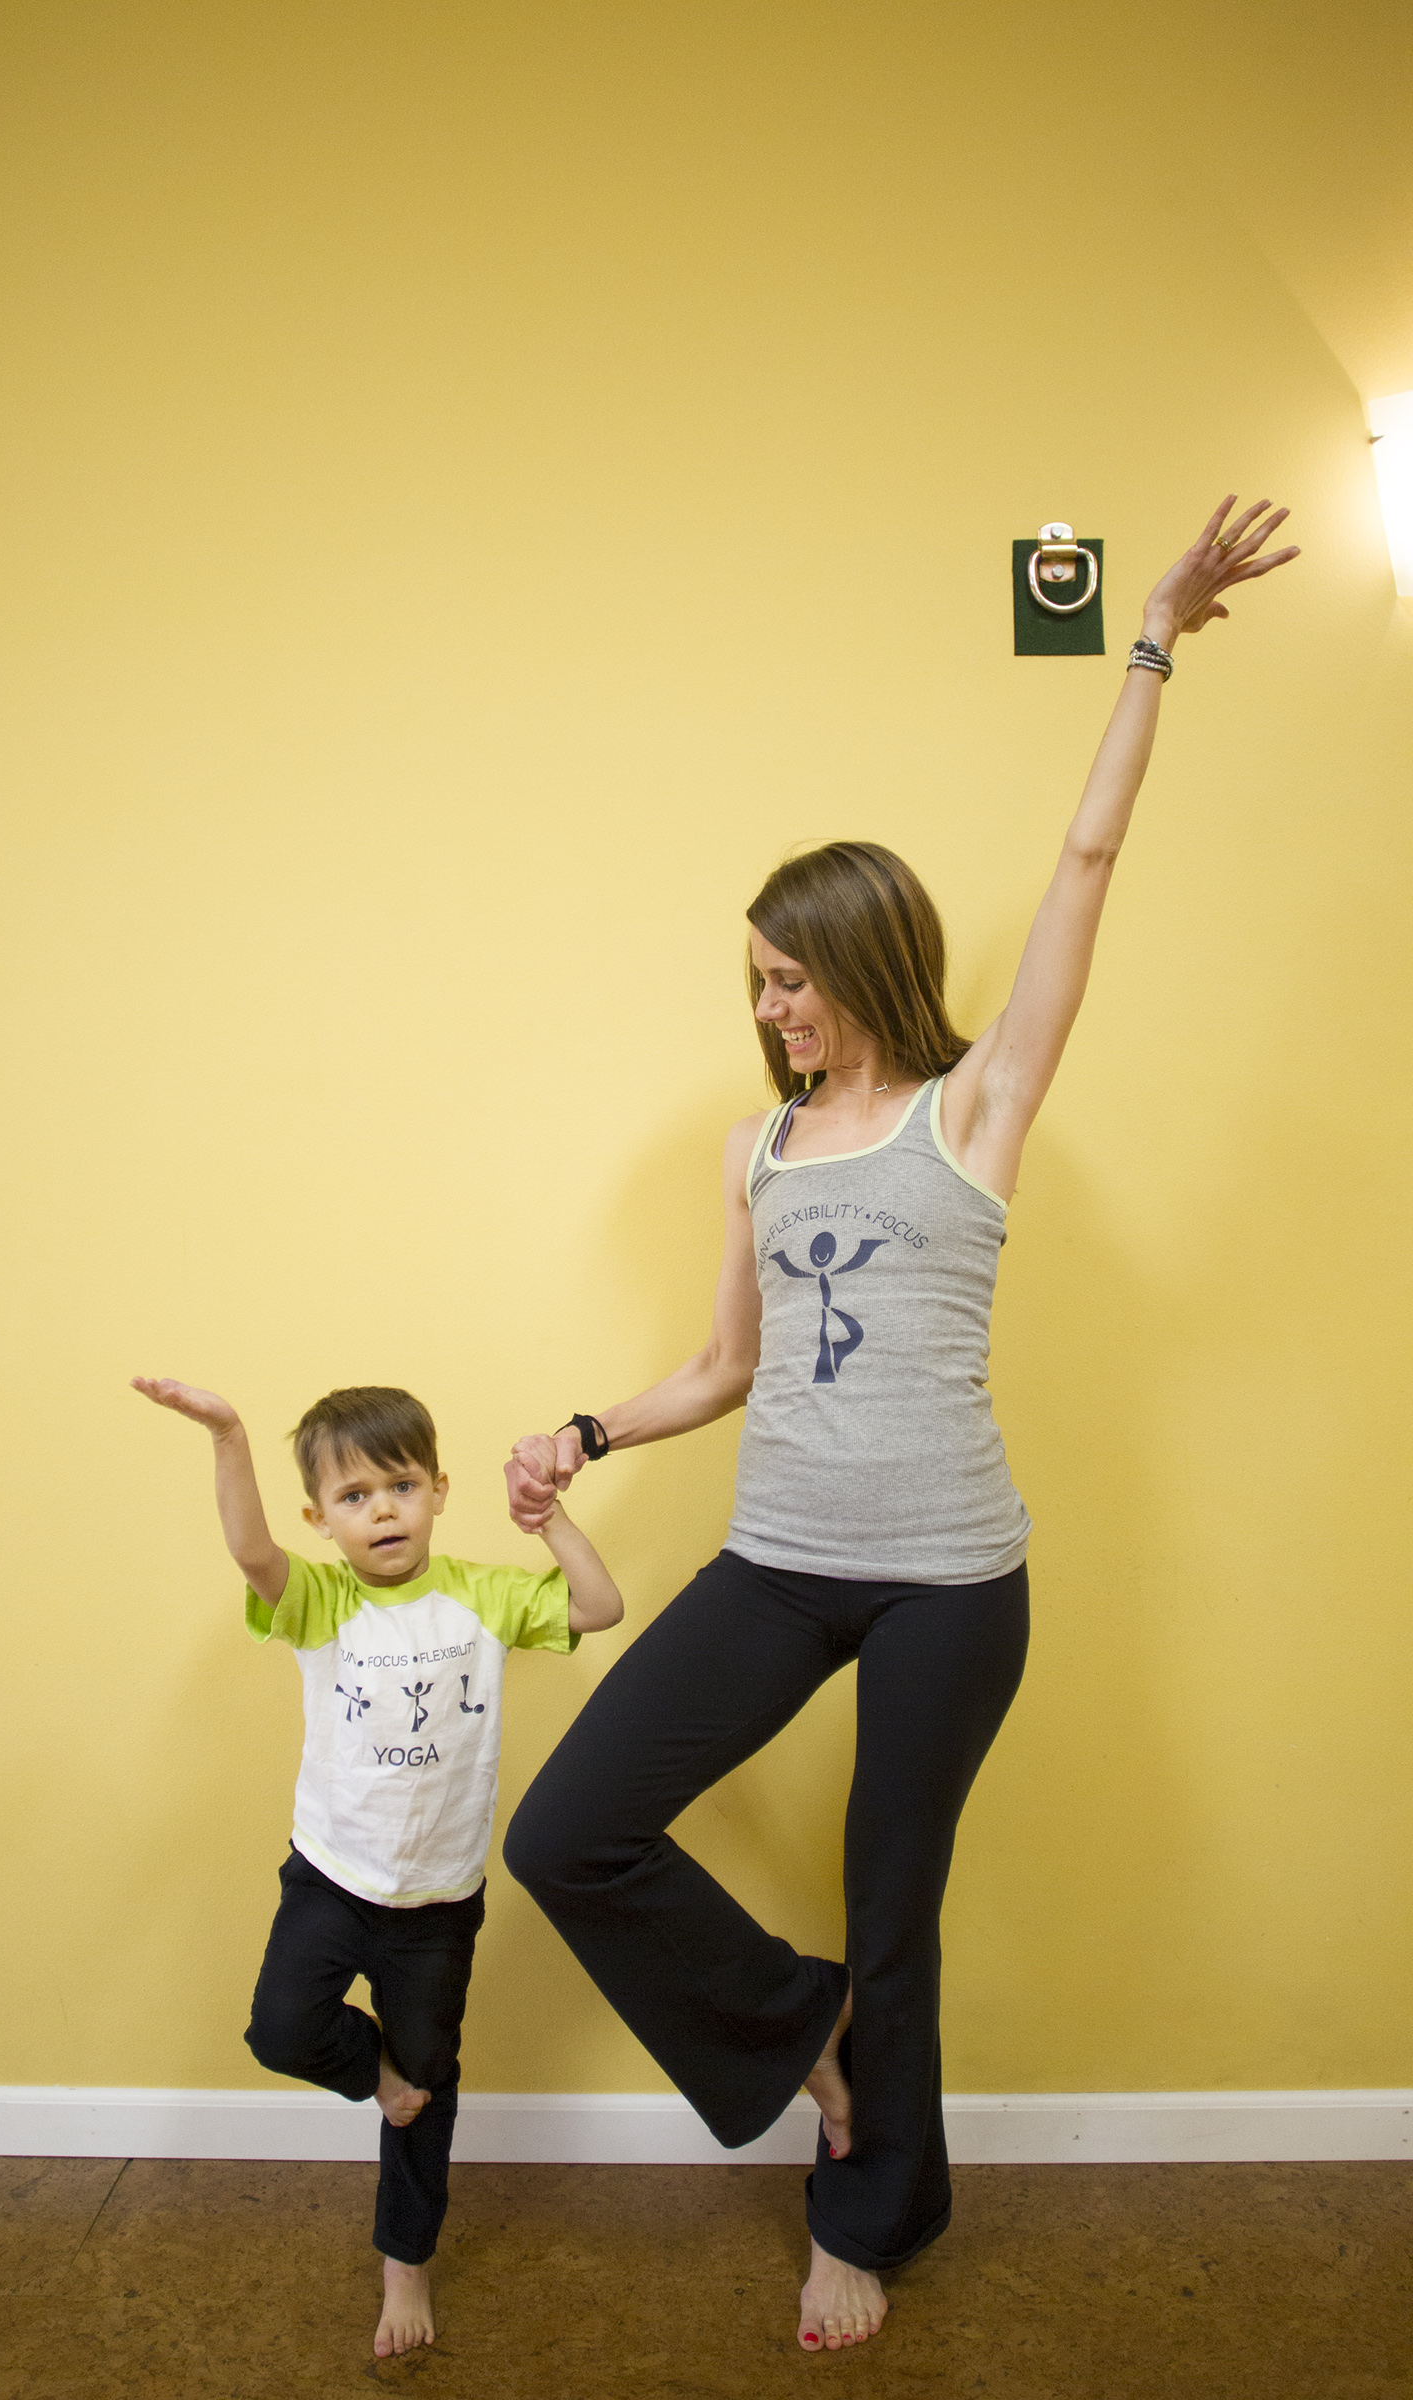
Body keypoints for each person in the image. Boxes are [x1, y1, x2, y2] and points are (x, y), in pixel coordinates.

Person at [501, 498, 1300, 2354]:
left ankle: (867, 2218)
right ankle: (812, 2033)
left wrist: (1153, 641)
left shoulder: (982, 1105)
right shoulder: (756, 1147)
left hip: (953, 1578)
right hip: (778, 1562)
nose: (768, 1010)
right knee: (573, 1831)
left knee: (896, 1897)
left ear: (863, 962)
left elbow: (1089, 859)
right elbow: (721, 1364)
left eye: (789, 977)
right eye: (757, 983)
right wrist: (584, 1434)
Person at [133, 1375, 622, 2359]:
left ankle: (406, 2264)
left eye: (398, 1486)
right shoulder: (318, 1599)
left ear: (437, 1490)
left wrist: (551, 1519)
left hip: (439, 1901)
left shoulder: (483, 1596)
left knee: (431, 2083)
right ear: (322, 1519)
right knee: (285, 2028)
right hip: (331, 1876)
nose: (381, 1509)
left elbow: (600, 1606)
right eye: (353, 1498)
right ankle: (383, 2079)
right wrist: (228, 1435)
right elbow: (248, 1550)